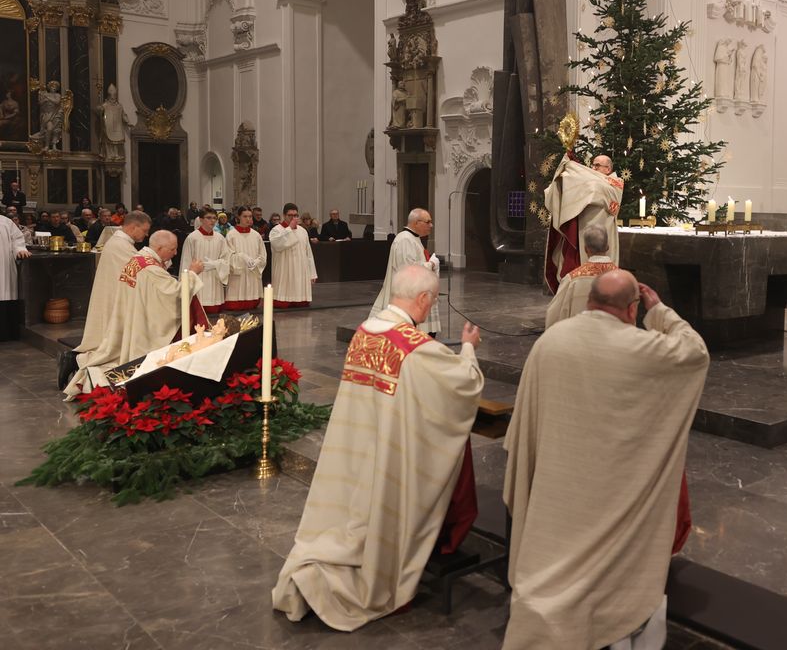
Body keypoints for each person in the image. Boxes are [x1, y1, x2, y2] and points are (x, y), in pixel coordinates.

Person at [503, 270, 709, 649]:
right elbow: (694, 352)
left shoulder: (552, 341)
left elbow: (525, 421)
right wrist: (660, 311)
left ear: (588, 301)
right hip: (610, 485)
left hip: (558, 483)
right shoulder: (642, 349)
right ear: (632, 309)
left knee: (551, 551)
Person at [273, 265, 484, 631]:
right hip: (388, 451)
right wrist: (468, 348)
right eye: (431, 300)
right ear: (422, 298)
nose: (429, 306)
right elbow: (463, 384)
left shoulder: (366, 330)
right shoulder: (414, 346)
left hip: (359, 443)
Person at [66, 230, 205, 396]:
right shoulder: (151, 269)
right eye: (173, 249)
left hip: (132, 312)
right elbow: (176, 293)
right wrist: (192, 273)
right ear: (160, 248)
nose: (176, 253)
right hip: (141, 321)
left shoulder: (139, 258)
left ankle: (73, 360)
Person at [68, 211, 151, 377]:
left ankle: (72, 359)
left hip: (115, 293)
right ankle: (72, 360)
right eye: (145, 230)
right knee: (108, 346)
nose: (146, 234)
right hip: (115, 297)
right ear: (134, 227)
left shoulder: (120, 242)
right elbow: (140, 270)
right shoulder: (120, 245)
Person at [544, 153, 623, 293]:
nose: (593, 167)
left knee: (601, 280)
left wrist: (576, 170)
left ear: (608, 169)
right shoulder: (589, 180)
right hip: (583, 231)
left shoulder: (614, 183)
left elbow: (607, 199)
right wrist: (567, 170)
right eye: (593, 164)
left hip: (603, 233)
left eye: (598, 165)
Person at [370, 208, 440, 334]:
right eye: (428, 222)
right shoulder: (405, 240)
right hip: (406, 300)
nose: (431, 225)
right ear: (416, 223)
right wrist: (431, 264)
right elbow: (408, 271)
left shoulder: (412, 238)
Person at [544, 226, 616, 328]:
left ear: (586, 249)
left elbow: (553, 315)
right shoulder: (625, 280)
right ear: (608, 247)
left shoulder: (572, 280)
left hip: (578, 340)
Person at [180, 207, 231, 315]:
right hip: (198, 278)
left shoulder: (220, 238)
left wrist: (215, 264)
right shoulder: (192, 238)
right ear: (201, 219)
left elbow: (226, 259)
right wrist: (184, 284)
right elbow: (186, 261)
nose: (212, 221)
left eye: (214, 218)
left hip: (214, 278)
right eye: (208, 218)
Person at [269, 203, 317, 308]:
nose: (293, 218)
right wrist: (290, 228)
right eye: (290, 215)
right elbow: (278, 245)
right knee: (282, 301)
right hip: (284, 269)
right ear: (284, 215)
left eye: (295, 215)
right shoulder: (276, 230)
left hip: (301, 269)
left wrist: (312, 273)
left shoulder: (303, 231)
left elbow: (308, 253)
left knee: (301, 302)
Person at [225, 206, 267, 311]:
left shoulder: (256, 235)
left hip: (252, 274)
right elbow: (227, 257)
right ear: (238, 217)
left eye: (250, 216)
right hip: (238, 276)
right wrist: (242, 257)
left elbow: (263, 255)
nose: (248, 219)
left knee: (253, 305)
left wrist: (257, 261)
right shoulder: (231, 235)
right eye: (245, 216)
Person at [0, 210, 30, 341]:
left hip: (3, 266)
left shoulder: (5, 222)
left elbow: (17, 240)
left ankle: (5, 334)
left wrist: (20, 250)